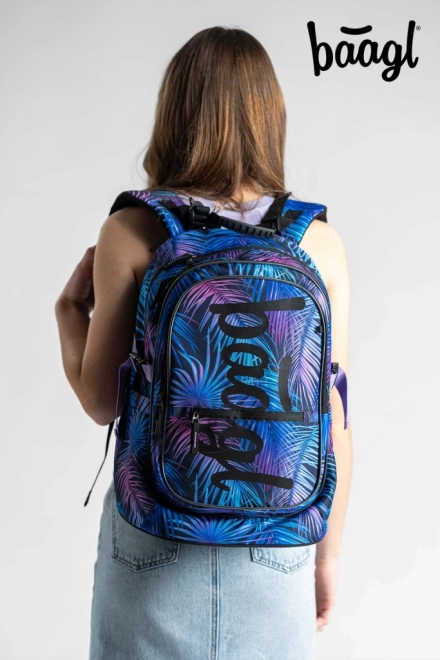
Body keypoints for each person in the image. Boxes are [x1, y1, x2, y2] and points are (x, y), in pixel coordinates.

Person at [55, 25, 352, 660]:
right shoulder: (317, 243)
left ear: (174, 113)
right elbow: (335, 420)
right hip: (277, 543)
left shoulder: (134, 229)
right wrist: (327, 559)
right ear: (270, 118)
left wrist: (67, 315)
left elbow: (103, 402)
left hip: (156, 532)